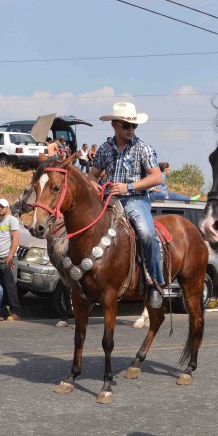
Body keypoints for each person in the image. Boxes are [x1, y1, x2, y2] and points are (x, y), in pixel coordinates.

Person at [90, 101, 166, 309]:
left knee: (147, 234)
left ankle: (155, 282)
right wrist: (93, 184)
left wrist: (128, 187)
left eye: (134, 125)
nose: (131, 129)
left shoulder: (143, 148)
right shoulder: (104, 149)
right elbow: (93, 175)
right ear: (114, 125)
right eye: (126, 125)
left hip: (135, 200)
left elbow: (156, 177)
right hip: (108, 200)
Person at [0, 198, 22, 320]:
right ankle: (2, 311)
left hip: (7, 258)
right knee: (0, 286)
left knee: (10, 286)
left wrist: (10, 256)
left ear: (7, 208)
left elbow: (15, 239)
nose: (0, 209)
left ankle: (16, 312)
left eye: (2, 207)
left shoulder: (12, 220)